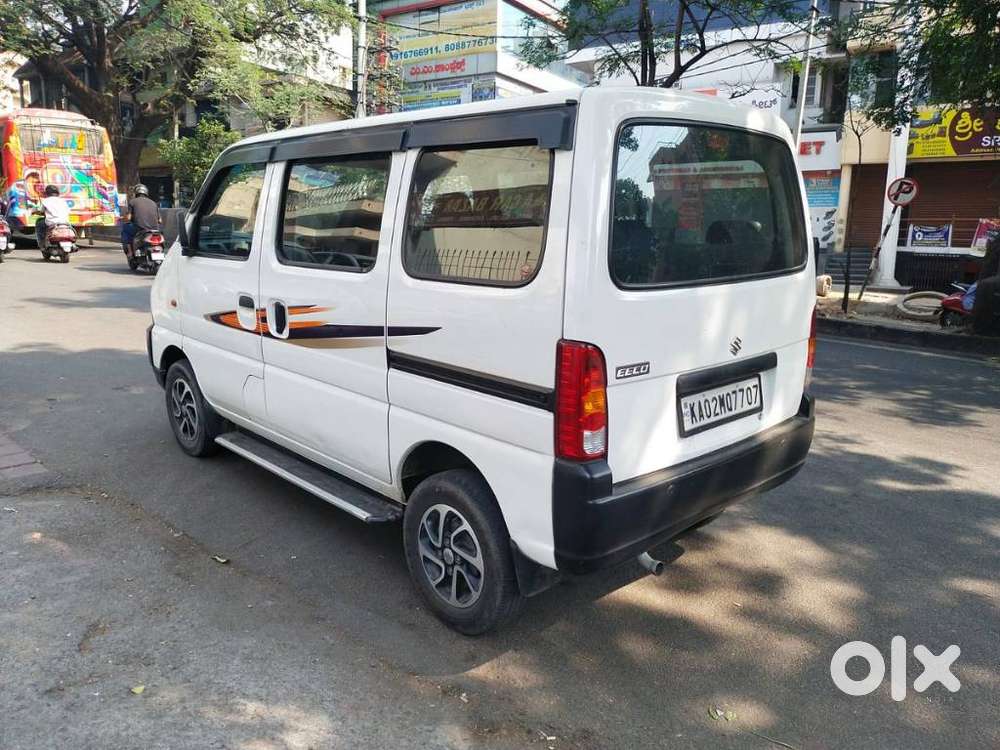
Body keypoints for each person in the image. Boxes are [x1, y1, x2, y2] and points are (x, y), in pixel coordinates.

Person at [122, 184, 161, 253]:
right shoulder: (154, 203)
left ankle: (130, 252)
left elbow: (128, 218)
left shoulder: (133, 202)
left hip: (139, 229)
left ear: (136, 193)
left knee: (125, 228)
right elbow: (160, 220)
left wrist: (123, 218)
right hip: (155, 230)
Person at [34, 185, 71, 250]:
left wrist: (34, 212)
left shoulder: (46, 201)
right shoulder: (63, 201)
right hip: (65, 222)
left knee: (39, 223)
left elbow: (40, 210)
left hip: (52, 222)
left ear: (47, 193)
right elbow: (68, 210)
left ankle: (42, 244)